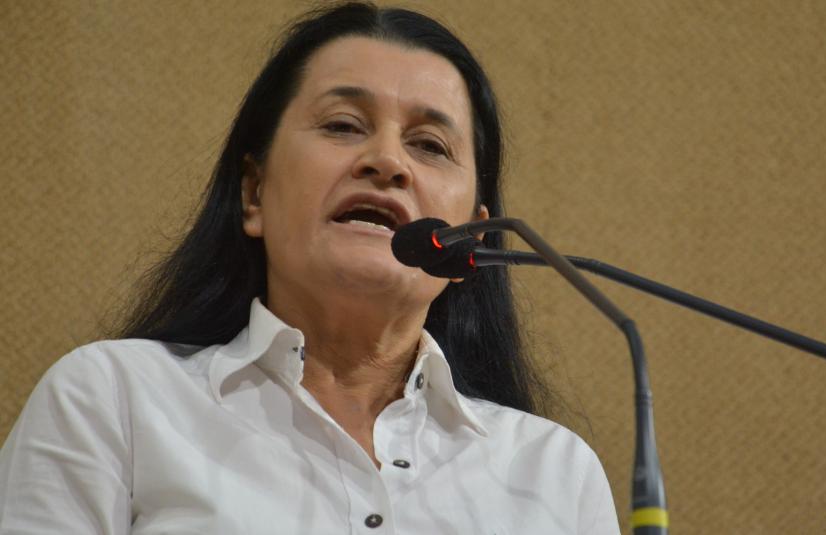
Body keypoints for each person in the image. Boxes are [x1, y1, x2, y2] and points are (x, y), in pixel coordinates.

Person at [0, 2, 620, 533]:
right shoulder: (114, 401)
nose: (387, 161)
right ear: (253, 194)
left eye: (429, 145)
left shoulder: (553, 474)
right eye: (343, 125)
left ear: (471, 242)